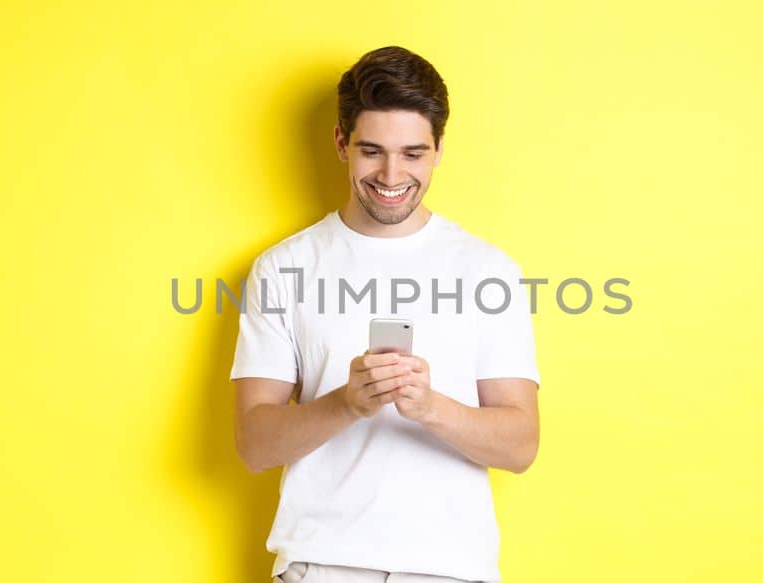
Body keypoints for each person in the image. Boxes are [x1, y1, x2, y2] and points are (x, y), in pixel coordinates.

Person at [231, 46, 540, 583]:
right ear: (340, 143)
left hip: (451, 571)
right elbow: (254, 445)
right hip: (322, 567)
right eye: (371, 151)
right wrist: (347, 404)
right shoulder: (283, 267)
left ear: (439, 149)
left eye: (413, 153)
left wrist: (431, 406)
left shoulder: (489, 270)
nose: (392, 174)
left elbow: (521, 446)